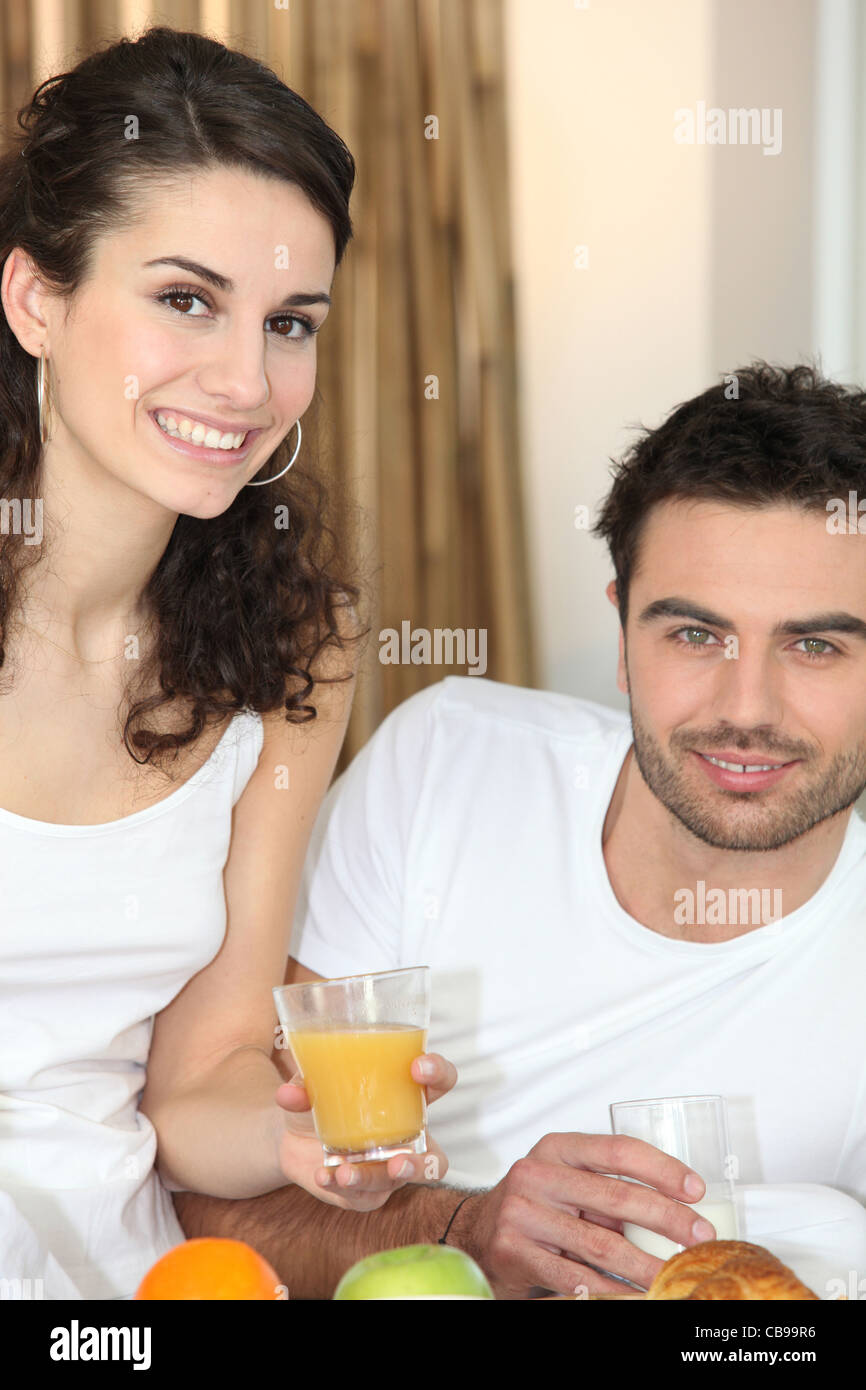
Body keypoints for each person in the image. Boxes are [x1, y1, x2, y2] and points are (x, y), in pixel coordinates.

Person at [174, 362, 866, 1299]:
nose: (747, 709)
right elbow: (211, 1208)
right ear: (622, 635)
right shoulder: (447, 766)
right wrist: (466, 1229)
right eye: (694, 635)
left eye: (816, 644)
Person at [0, 25, 454, 1301]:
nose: (248, 380)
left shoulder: (296, 645)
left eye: (290, 322)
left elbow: (194, 1087)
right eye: (185, 300)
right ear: (38, 297)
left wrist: (295, 1136)